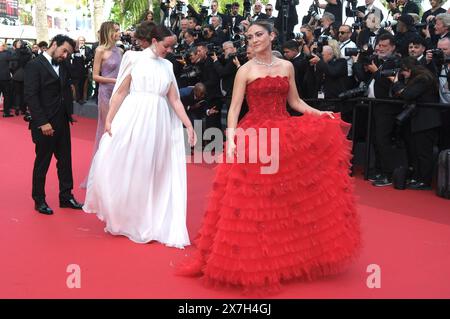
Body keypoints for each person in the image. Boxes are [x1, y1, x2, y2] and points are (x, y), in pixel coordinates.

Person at [176, 21, 361, 293]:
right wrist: (231, 137)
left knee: (285, 200)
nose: (254, 39)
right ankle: (254, 261)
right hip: (255, 135)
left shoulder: (286, 67)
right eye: (250, 36)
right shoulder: (244, 70)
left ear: (272, 36)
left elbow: (295, 102)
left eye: (259, 34)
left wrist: (319, 114)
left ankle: (284, 258)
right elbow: (235, 108)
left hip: (284, 133)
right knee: (254, 201)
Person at [83, 23, 197, 247]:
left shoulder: (167, 66)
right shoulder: (133, 58)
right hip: (134, 116)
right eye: (167, 46)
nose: (170, 50)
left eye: (172, 47)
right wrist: (109, 118)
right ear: (155, 41)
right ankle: (125, 215)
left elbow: (174, 99)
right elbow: (121, 91)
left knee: (155, 170)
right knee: (128, 164)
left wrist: (189, 125)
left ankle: (149, 219)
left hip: (159, 122)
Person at [24, 34, 83, 215]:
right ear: (54, 44)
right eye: (64, 51)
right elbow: (31, 96)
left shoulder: (64, 64)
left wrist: (78, 58)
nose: (65, 55)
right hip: (44, 122)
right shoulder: (34, 65)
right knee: (43, 161)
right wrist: (42, 122)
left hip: (62, 120)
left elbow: (75, 78)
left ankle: (66, 196)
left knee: (65, 161)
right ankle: (39, 199)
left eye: (69, 53)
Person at [80, 21, 122, 188]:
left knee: (119, 130)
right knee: (106, 130)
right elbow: (95, 76)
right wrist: (114, 80)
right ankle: (99, 173)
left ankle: (115, 171)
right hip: (106, 93)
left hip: (120, 94)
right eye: (116, 30)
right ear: (109, 32)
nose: (119, 32)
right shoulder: (99, 50)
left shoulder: (120, 50)